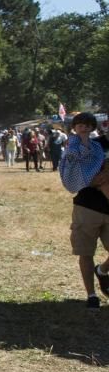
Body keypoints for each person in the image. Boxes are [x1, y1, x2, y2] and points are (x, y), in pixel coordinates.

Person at [59, 112, 109, 309]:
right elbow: (77, 169)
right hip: (87, 206)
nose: (84, 128)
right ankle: (92, 296)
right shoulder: (96, 145)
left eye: (88, 125)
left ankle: (103, 270)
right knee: (85, 252)